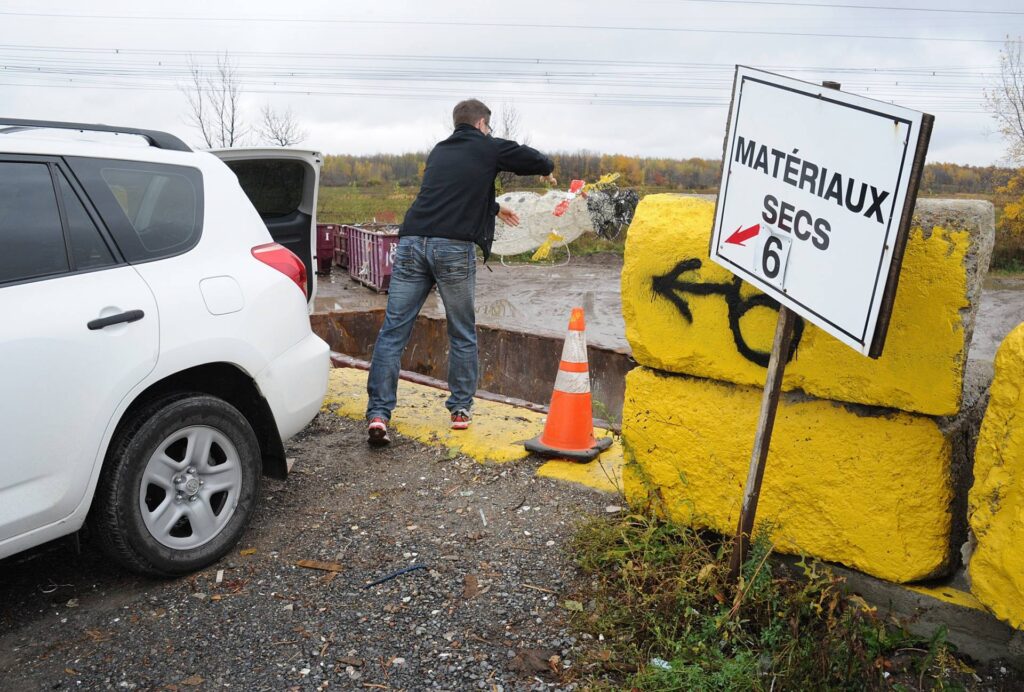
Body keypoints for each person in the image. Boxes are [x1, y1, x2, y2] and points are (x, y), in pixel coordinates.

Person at [365, 99, 556, 444]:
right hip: (452, 247)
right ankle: (460, 409)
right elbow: (531, 158)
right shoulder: (487, 146)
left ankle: (379, 414)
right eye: (490, 127)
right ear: (482, 124)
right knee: (462, 332)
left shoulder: (439, 151)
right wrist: (548, 166)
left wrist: (495, 208)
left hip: (412, 242)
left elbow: (453, 192)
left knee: (393, 331)